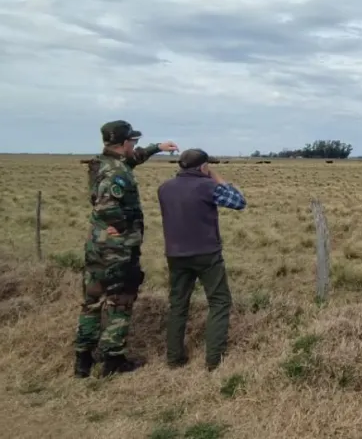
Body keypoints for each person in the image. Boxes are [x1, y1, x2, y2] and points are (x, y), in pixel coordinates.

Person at [73, 120, 178, 378]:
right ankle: (113, 359)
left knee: (92, 300)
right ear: (123, 144)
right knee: (120, 300)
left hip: (96, 245)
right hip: (116, 249)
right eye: (134, 142)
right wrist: (119, 227)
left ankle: (83, 360)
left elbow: (134, 160)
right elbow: (107, 205)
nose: (136, 146)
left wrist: (158, 147)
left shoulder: (104, 163)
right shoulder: (116, 173)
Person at [157, 148, 246, 371]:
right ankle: (214, 360)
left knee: (178, 304)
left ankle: (174, 357)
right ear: (203, 167)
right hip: (206, 253)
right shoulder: (207, 186)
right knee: (219, 302)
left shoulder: (164, 188)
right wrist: (217, 178)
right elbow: (239, 202)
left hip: (175, 254)